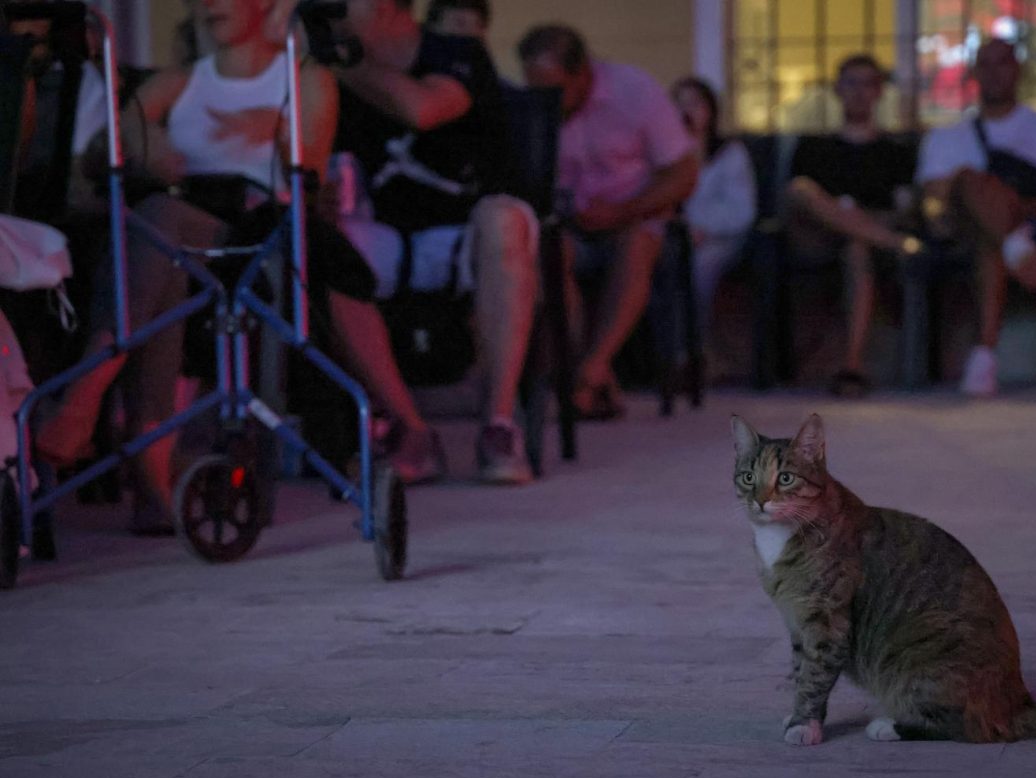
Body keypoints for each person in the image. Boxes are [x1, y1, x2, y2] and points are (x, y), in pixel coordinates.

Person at [35, 0, 438, 533]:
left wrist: (263, 133)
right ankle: (149, 468)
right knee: (153, 236)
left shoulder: (303, 75)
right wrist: (144, 144)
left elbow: (308, 172)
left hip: (259, 229)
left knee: (158, 227)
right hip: (175, 234)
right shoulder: (178, 82)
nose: (210, 5)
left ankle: (90, 393)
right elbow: (98, 155)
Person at [330, 0, 540, 485]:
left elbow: (422, 109)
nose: (334, 11)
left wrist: (339, 62)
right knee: (319, 241)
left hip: (463, 230)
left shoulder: (455, 50)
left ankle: (499, 425)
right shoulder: (329, 62)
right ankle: (409, 427)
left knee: (504, 220)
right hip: (380, 228)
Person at [518, 24, 698, 420]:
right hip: (568, 223)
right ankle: (585, 375)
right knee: (547, 253)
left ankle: (590, 370)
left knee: (636, 245)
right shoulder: (529, 106)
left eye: (554, 89)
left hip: (634, 215)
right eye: (536, 89)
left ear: (582, 72)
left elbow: (683, 174)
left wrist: (622, 210)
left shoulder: (635, 92)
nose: (545, 100)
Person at [915, 38, 1036, 397]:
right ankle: (1012, 245)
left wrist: (1006, 208)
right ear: (975, 73)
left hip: (1034, 231)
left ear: (1018, 70)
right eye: (987, 63)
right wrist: (976, 198)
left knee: (989, 238)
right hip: (959, 234)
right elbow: (933, 197)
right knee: (967, 178)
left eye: (1003, 62)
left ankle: (984, 352)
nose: (995, 72)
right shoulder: (946, 136)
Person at [780, 54, 920, 397]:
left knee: (857, 247)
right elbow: (799, 200)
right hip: (815, 233)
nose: (859, 92)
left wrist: (859, 220)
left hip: (868, 234)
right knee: (802, 190)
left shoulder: (896, 152)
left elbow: (903, 207)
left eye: (868, 84)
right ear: (837, 90)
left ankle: (852, 366)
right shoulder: (813, 147)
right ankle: (892, 242)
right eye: (851, 83)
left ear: (879, 92)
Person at [669, 76, 755, 359]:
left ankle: (691, 353)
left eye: (694, 103)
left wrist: (702, 228)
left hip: (723, 238)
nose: (687, 111)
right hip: (674, 236)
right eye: (678, 104)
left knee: (700, 266)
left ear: (711, 110)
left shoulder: (731, 154)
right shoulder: (662, 157)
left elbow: (741, 209)